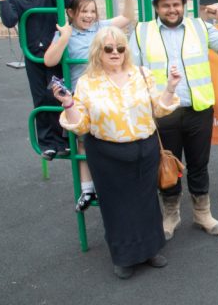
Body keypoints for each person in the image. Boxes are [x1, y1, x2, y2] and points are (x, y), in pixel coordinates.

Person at [54, 26, 181, 279]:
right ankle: (124, 257)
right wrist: (68, 104)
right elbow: (82, 125)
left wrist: (170, 87)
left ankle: (151, 250)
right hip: (106, 154)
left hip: (144, 149)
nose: (115, 53)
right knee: (117, 207)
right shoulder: (87, 82)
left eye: (120, 48)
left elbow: (159, 109)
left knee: (146, 202)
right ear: (97, 52)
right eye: (108, 48)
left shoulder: (141, 74)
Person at [129, 0, 218, 241]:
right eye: (165, 5)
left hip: (197, 109)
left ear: (184, 5)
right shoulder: (142, 31)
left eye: (176, 4)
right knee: (167, 164)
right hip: (163, 112)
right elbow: (132, 72)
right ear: (156, 7)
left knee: (199, 164)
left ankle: (203, 213)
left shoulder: (200, 26)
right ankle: (171, 214)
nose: (172, 9)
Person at [44, 0, 137, 211]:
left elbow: (127, 18)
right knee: (83, 142)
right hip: (83, 93)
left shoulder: (100, 28)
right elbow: (50, 60)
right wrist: (64, 37)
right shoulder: (66, 33)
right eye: (83, 11)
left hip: (107, 90)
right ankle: (87, 190)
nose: (89, 16)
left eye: (92, 11)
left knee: (111, 138)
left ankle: (115, 184)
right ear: (71, 13)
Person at [0, 0, 71, 160]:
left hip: (54, 54)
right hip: (33, 57)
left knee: (57, 94)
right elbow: (9, 21)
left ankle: (62, 141)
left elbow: (67, 2)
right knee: (40, 98)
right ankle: (47, 143)